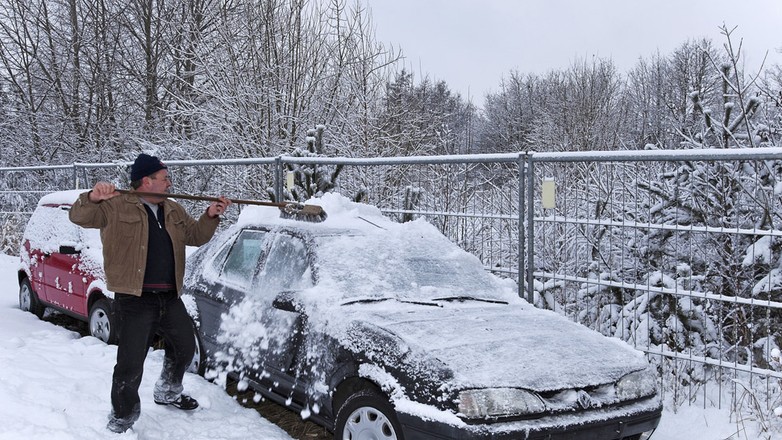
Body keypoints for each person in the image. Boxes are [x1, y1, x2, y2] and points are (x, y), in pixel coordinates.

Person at [69, 153, 231, 434]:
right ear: (146, 181)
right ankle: (123, 415)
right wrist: (92, 197)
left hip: (169, 296)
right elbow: (79, 216)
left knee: (184, 347)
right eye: (164, 178)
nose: (169, 183)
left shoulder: (173, 209)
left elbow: (195, 236)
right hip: (134, 298)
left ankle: (168, 389)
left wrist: (210, 216)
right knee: (130, 363)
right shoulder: (116, 205)